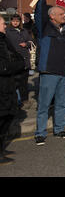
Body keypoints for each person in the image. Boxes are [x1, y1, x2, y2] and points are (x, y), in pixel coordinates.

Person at [33, 0, 65, 145]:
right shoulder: (44, 28)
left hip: (63, 73)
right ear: (52, 16)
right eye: (60, 14)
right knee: (44, 104)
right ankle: (40, 133)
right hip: (49, 72)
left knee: (60, 103)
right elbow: (39, 15)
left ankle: (59, 129)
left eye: (63, 13)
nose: (63, 15)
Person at [0, 15, 25, 165]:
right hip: (2, 86)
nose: (5, 26)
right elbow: (3, 67)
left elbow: (17, 57)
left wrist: (18, 64)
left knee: (8, 117)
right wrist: (18, 65)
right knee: (2, 117)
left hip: (8, 85)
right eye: (3, 23)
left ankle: (1, 148)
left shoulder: (4, 39)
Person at [6, 14, 33, 109]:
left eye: (17, 21)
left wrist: (26, 44)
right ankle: (15, 101)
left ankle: (25, 100)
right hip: (14, 60)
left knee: (24, 82)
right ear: (11, 21)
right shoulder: (7, 31)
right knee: (14, 82)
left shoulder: (24, 30)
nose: (15, 22)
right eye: (13, 20)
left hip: (25, 60)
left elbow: (31, 41)